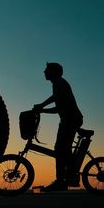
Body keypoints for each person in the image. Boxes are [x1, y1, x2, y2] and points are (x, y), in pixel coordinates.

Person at [34, 62, 83, 192]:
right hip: (67, 120)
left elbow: (56, 100)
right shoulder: (57, 84)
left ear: (54, 72)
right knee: (62, 149)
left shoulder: (60, 84)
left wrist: (41, 106)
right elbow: (58, 106)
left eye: (47, 70)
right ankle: (67, 177)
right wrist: (42, 108)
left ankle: (63, 180)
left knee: (61, 149)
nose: (44, 72)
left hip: (72, 120)